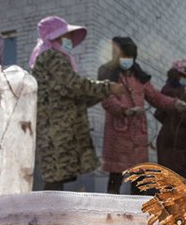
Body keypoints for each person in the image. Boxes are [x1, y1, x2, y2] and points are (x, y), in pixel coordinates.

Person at [30, 17, 124, 191]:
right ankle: (49, 209)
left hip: (56, 127)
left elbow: (70, 95)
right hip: (57, 128)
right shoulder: (52, 57)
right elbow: (74, 85)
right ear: (55, 37)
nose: (69, 40)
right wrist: (108, 87)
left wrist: (102, 92)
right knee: (55, 177)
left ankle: (52, 208)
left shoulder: (48, 56)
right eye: (66, 35)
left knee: (57, 176)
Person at [98, 37, 186, 195]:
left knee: (140, 177)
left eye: (129, 56)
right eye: (123, 56)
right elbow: (106, 99)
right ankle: (111, 208)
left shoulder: (139, 76)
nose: (126, 60)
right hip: (118, 134)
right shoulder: (108, 73)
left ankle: (138, 208)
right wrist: (125, 110)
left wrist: (174, 103)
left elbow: (155, 97)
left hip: (138, 135)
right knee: (116, 176)